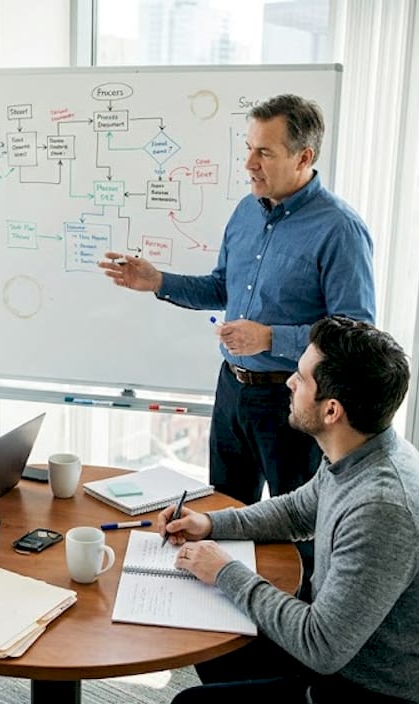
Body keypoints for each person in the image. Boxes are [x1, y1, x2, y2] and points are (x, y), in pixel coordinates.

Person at [159, 316, 419, 704]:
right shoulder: (359, 449)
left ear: (332, 410)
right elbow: (297, 511)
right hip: (349, 650)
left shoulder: (382, 509)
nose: (289, 381)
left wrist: (224, 571)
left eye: (301, 379)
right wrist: (211, 524)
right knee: (210, 632)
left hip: (375, 693)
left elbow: (321, 646)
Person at [99, 93, 375, 517]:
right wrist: (158, 281)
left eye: (264, 152)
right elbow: (221, 286)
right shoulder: (246, 212)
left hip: (294, 401)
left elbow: (355, 334)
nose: (249, 164)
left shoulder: (340, 230)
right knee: (223, 516)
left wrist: (270, 338)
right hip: (232, 391)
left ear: (304, 157)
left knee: (293, 529)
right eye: (248, 148)